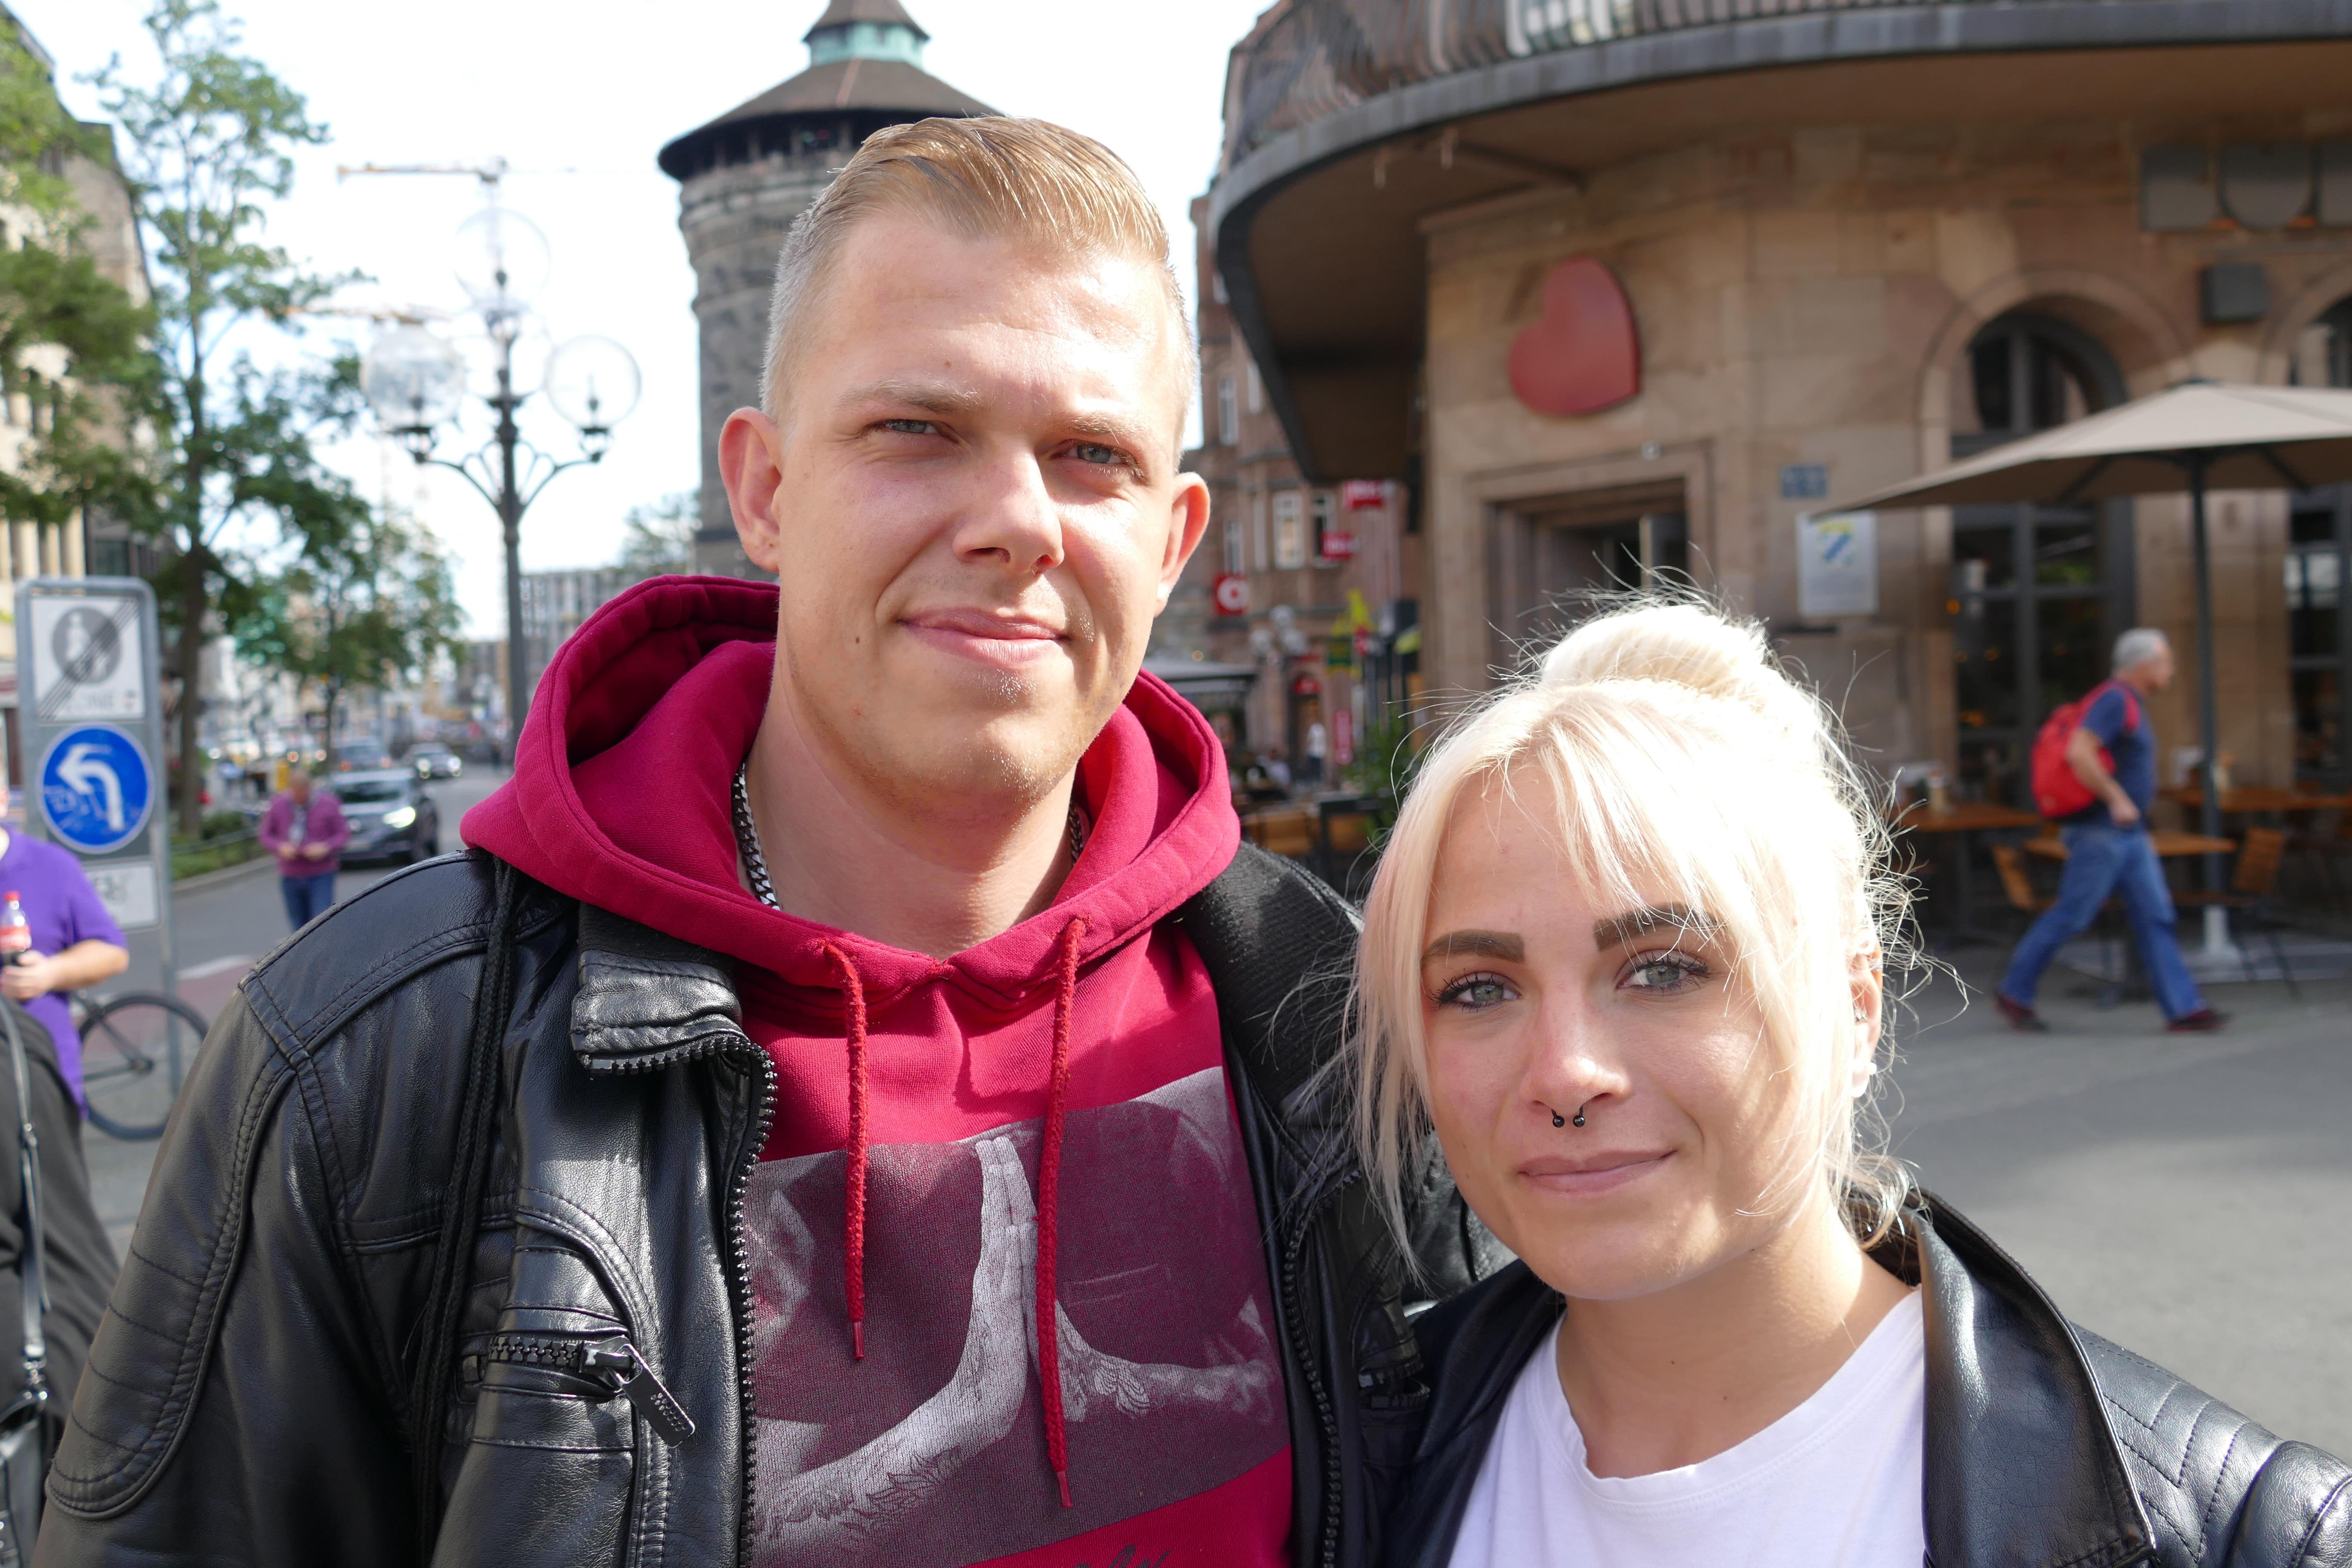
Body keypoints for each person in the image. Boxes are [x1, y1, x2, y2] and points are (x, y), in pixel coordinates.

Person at [39, 119, 1463, 1566]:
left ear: (1170, 539)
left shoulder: (1327, 1007)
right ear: (767, 490)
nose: (1016, 521)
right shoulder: (377, 1060)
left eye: (1091, 453)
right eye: (918, 429)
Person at [1351, 600, 2348, 1568]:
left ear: (1856, 1004)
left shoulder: (2247, 1531)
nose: (1566, 1072)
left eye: (1663, 970)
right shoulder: (1347, 1456)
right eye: (1478, 988)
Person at [1997, 628, 2222, 1033]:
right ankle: (2015, 991)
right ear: (2144, 664)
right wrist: (2117, 798)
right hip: (2102, 831)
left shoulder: (2125, 700)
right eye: (2166, 663)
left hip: (2127, 834)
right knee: (2073, 915)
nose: (2171, 671)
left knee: (2156, 917)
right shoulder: (2115, 699)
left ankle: (2184, 1009)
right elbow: (2079, 752)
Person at [0, 805, 129, 1102]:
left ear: (3, 797)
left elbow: (112, 952)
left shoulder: (52, 866)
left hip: (37, 1081)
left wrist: (50, 973)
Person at [256, 766, 348, 931]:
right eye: (295, 793)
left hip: (321, 873)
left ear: (309, 789)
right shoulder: (278, 805)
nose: (299, 797)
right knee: (298, 927)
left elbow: (343, 834)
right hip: (291, 874)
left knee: (321, 922)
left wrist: (326, 847)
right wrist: (280, 847)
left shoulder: (329, 804)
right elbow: (265, 835)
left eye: (302, 793)